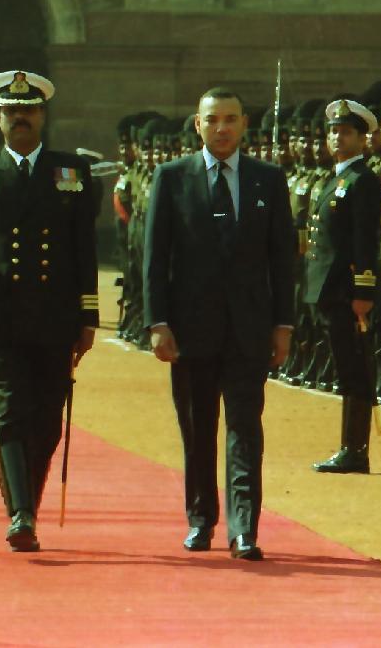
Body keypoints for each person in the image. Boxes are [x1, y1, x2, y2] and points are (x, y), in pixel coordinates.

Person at [0, 69, 99, 553]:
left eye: (29, 111)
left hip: (56, 317)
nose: (21, 118)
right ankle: (21, 513)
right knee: (11, 411)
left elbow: (84, 249)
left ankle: (24, 500)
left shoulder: (70, 172)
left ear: (42, 116)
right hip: (4, 316)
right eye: (12, 112)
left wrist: (88, 317)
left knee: (48, 419)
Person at [143, 87, 295, 561]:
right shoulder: (172, 177)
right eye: (212, 120)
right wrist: (157, 322)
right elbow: (155, 258)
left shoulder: (268, 179)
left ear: (245, 123)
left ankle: (244, 528)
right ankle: (201, 518)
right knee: (198, 429)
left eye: (231, 119)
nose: (222, 128)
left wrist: (284, 324)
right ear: (198, 124)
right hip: (190, 330)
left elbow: (282, 259)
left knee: (245, 429)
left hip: (249, 328)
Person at [307, 97, 381, 474]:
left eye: (347, 132)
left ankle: (355, 450)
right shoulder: (336, 177)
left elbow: (365, 241)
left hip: (346, 291)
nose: (338, 138)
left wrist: (363, 291)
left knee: (354, 369)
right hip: (329, 289)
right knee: (345, 367)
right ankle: (349, 446)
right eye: (334, 131)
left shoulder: (362, 180)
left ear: (362, 139)